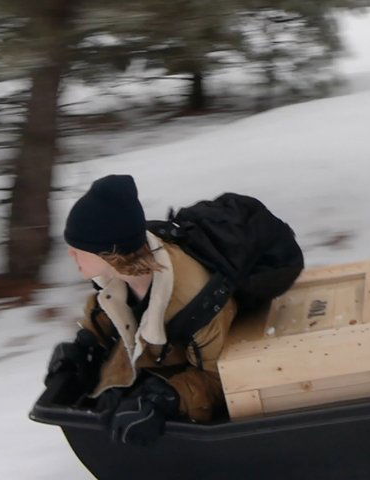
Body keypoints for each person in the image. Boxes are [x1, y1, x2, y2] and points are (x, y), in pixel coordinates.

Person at [43, 174, 237, 445]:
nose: (70, 255)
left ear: (107, 252)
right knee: (109, 402)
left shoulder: (196, 302)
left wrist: (166, 398)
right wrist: (85, 345)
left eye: (78, 248)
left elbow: (221, 382)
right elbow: (112, 313)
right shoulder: (117, 274)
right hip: (159, 361)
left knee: (128, 409)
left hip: (196, 389)